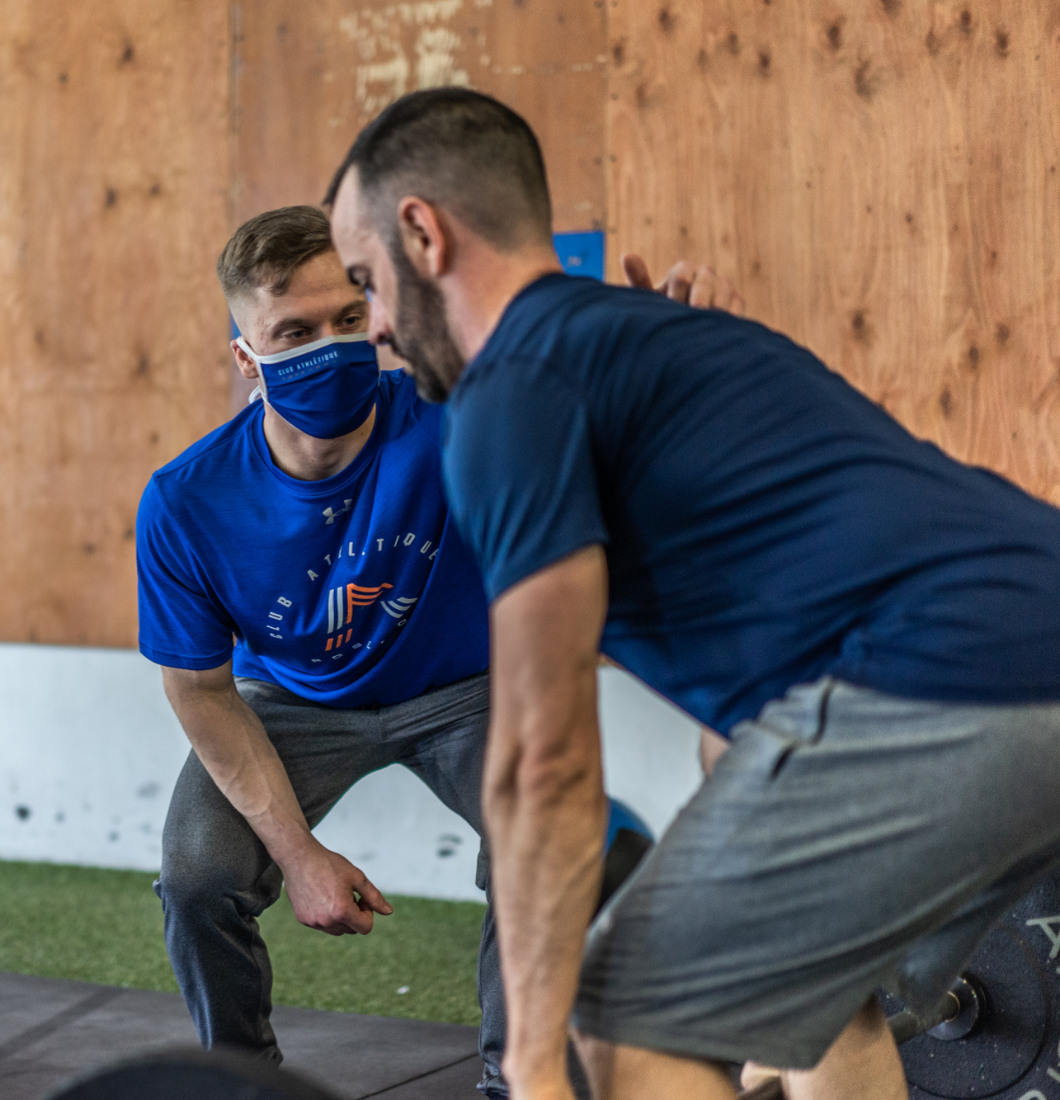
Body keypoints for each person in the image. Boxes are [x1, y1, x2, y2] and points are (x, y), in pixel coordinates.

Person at [325, 87, 1060, 1100]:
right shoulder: (671, 339)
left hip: (937, 675)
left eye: (366, 282)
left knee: (629, 1017)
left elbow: (545, 762)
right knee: (809, 990)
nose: (373, 326)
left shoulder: (510, 389)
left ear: (423, 233)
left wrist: (533, 1063)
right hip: (1017, 640)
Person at [137, 203, 732, 1093]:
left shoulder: (454, 411)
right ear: (247, 358)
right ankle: (243, 1080)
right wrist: (298, 856)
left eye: (348, 318)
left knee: (555, 842)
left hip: (467, 687)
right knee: (197, 878)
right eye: (295, 332)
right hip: (294, 704)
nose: (332, 347)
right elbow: (201, 692)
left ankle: (517, 1078)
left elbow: (594, 413)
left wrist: (668, 365)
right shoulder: (187, 500)